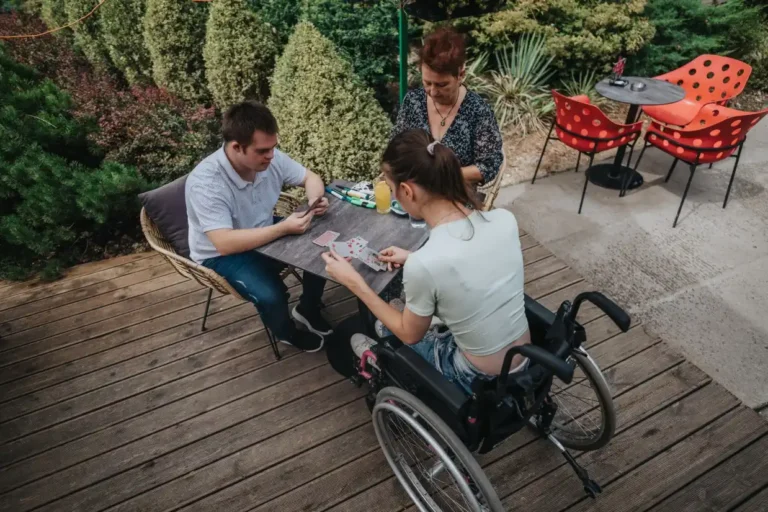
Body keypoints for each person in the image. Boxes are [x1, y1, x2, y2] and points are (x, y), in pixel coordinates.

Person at [322, 129, 530, 394]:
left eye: (391, 187)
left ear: (407, 191)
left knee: (385, 325)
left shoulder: (427, 263)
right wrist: (412, 257)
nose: (393, 194)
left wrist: (356, 284)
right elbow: (471, 258)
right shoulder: (504, 219)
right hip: (523, 357)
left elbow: (410, 335)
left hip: (475, 376)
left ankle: (377, 355)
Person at [186, 101, 332, 353]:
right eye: (263, 151)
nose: (271, 156)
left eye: (273, 148)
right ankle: (286, 333)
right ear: (236, 147)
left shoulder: (270, 158)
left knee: (322, 247)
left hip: (264, 229)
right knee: (270, 295)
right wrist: (283, 228)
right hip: (221, 254)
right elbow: (224, 242)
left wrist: (314, 199)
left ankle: (307, 308)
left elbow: (311, 177)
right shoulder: (206, 183)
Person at [392, 26, 503, 187]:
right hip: (414, 192)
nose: (433, 92)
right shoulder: (413, 101)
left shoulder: (478, 111)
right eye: (427, 83)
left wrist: (441, 176)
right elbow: (396, 146)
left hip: (456, 195)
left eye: (442, 84)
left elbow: (489, 165)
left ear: (461, 75)